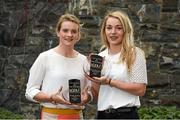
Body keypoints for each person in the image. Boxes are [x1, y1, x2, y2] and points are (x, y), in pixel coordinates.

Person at [25, 13, 92, 119]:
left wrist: (86, 97)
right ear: (58, 32)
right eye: (65, 30)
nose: (69, 35)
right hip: (50, 115)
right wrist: (51, 97)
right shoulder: (45, 57)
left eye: (74, 31)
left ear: (78, 35)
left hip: (76, 116)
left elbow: (90, 91)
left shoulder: (84, 61)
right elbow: (30, 91)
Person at [85, 10, 148, 119]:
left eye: (119, 28)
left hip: (125, 115)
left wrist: (110, 81)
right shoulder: (100, 57)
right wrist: (92, 76)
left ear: (126, 30)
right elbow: (96, 92)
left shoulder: (134, 53)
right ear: (104, 31)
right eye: (109, 28)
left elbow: (140, 89)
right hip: (102, 115)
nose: (113, 32)